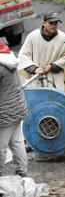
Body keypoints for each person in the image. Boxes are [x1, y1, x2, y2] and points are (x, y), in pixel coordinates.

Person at [18, 13, 65, 90]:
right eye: (50, 23)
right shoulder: (33, 36)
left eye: (55, 23)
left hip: (55, 78)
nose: (53, 26)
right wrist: (35, 69)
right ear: (43, 23)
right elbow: (23, 55)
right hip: (36, 77)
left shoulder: (62, 37)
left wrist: (51, 67)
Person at [0, 41, 28, 177]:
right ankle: (22, 173)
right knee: (16, 142)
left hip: (4, 112)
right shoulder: (8, 58)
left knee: (1, 147)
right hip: (16, 108)